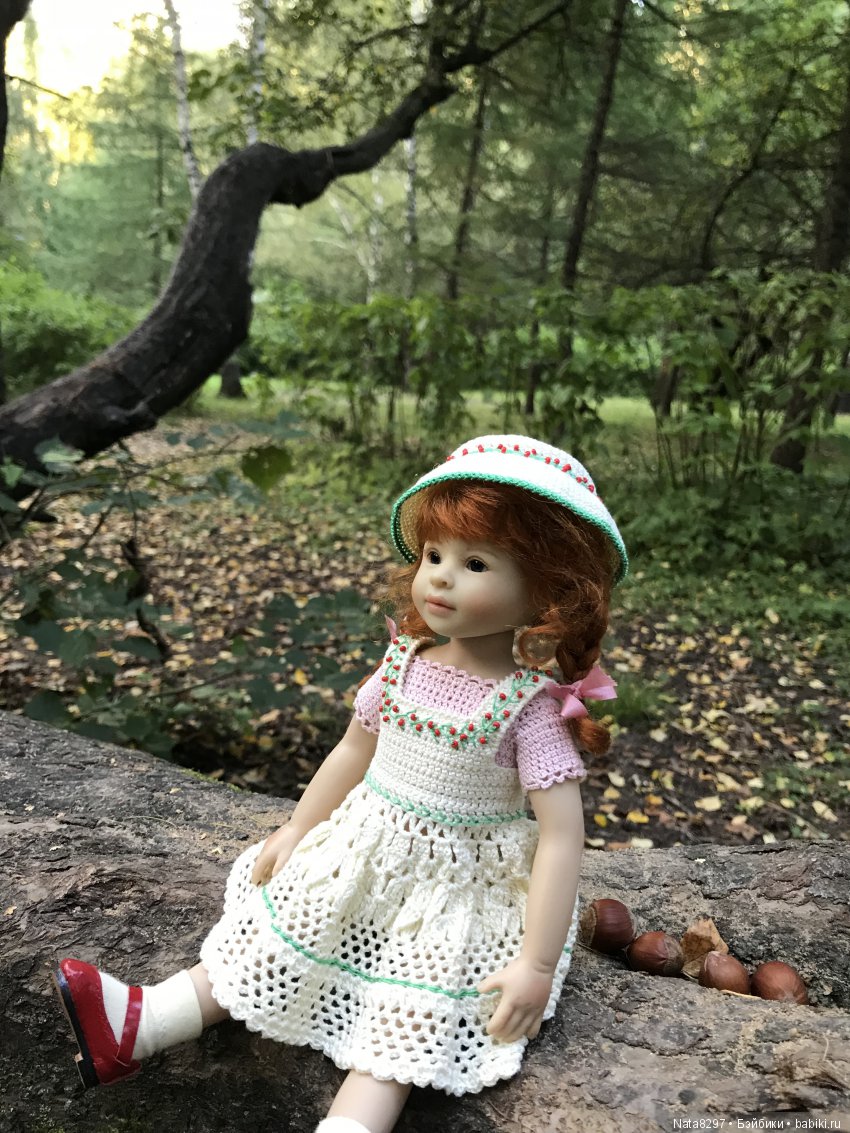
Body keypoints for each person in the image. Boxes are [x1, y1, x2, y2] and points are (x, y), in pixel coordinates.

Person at [52, 434, 628, 1133]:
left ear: (547, 591)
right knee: (266, 943)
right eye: (433, 556)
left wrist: (535, 962)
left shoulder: (527, 708)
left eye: (475, 564)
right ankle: (139, 1025)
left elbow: (561, 837)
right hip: (362, 853)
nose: (441, 579)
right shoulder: (403, 661)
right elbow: (354, 749)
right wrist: (300, 826)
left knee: (403, 1028)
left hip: (455, 894)